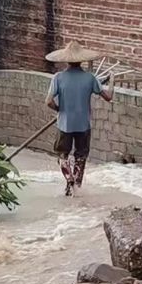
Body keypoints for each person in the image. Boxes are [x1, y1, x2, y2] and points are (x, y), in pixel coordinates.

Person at [46, 39, 113, 196]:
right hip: (83, 124)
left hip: (64, 124)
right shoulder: (90, 78)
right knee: (81, 155)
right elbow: (108, 97)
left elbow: (48, 101)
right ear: (81, 60)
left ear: (66, 60)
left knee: (62, 154)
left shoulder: (58, 78)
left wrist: (59, 109)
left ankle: (68, 177)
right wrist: (112, 83)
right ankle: (77, 186)